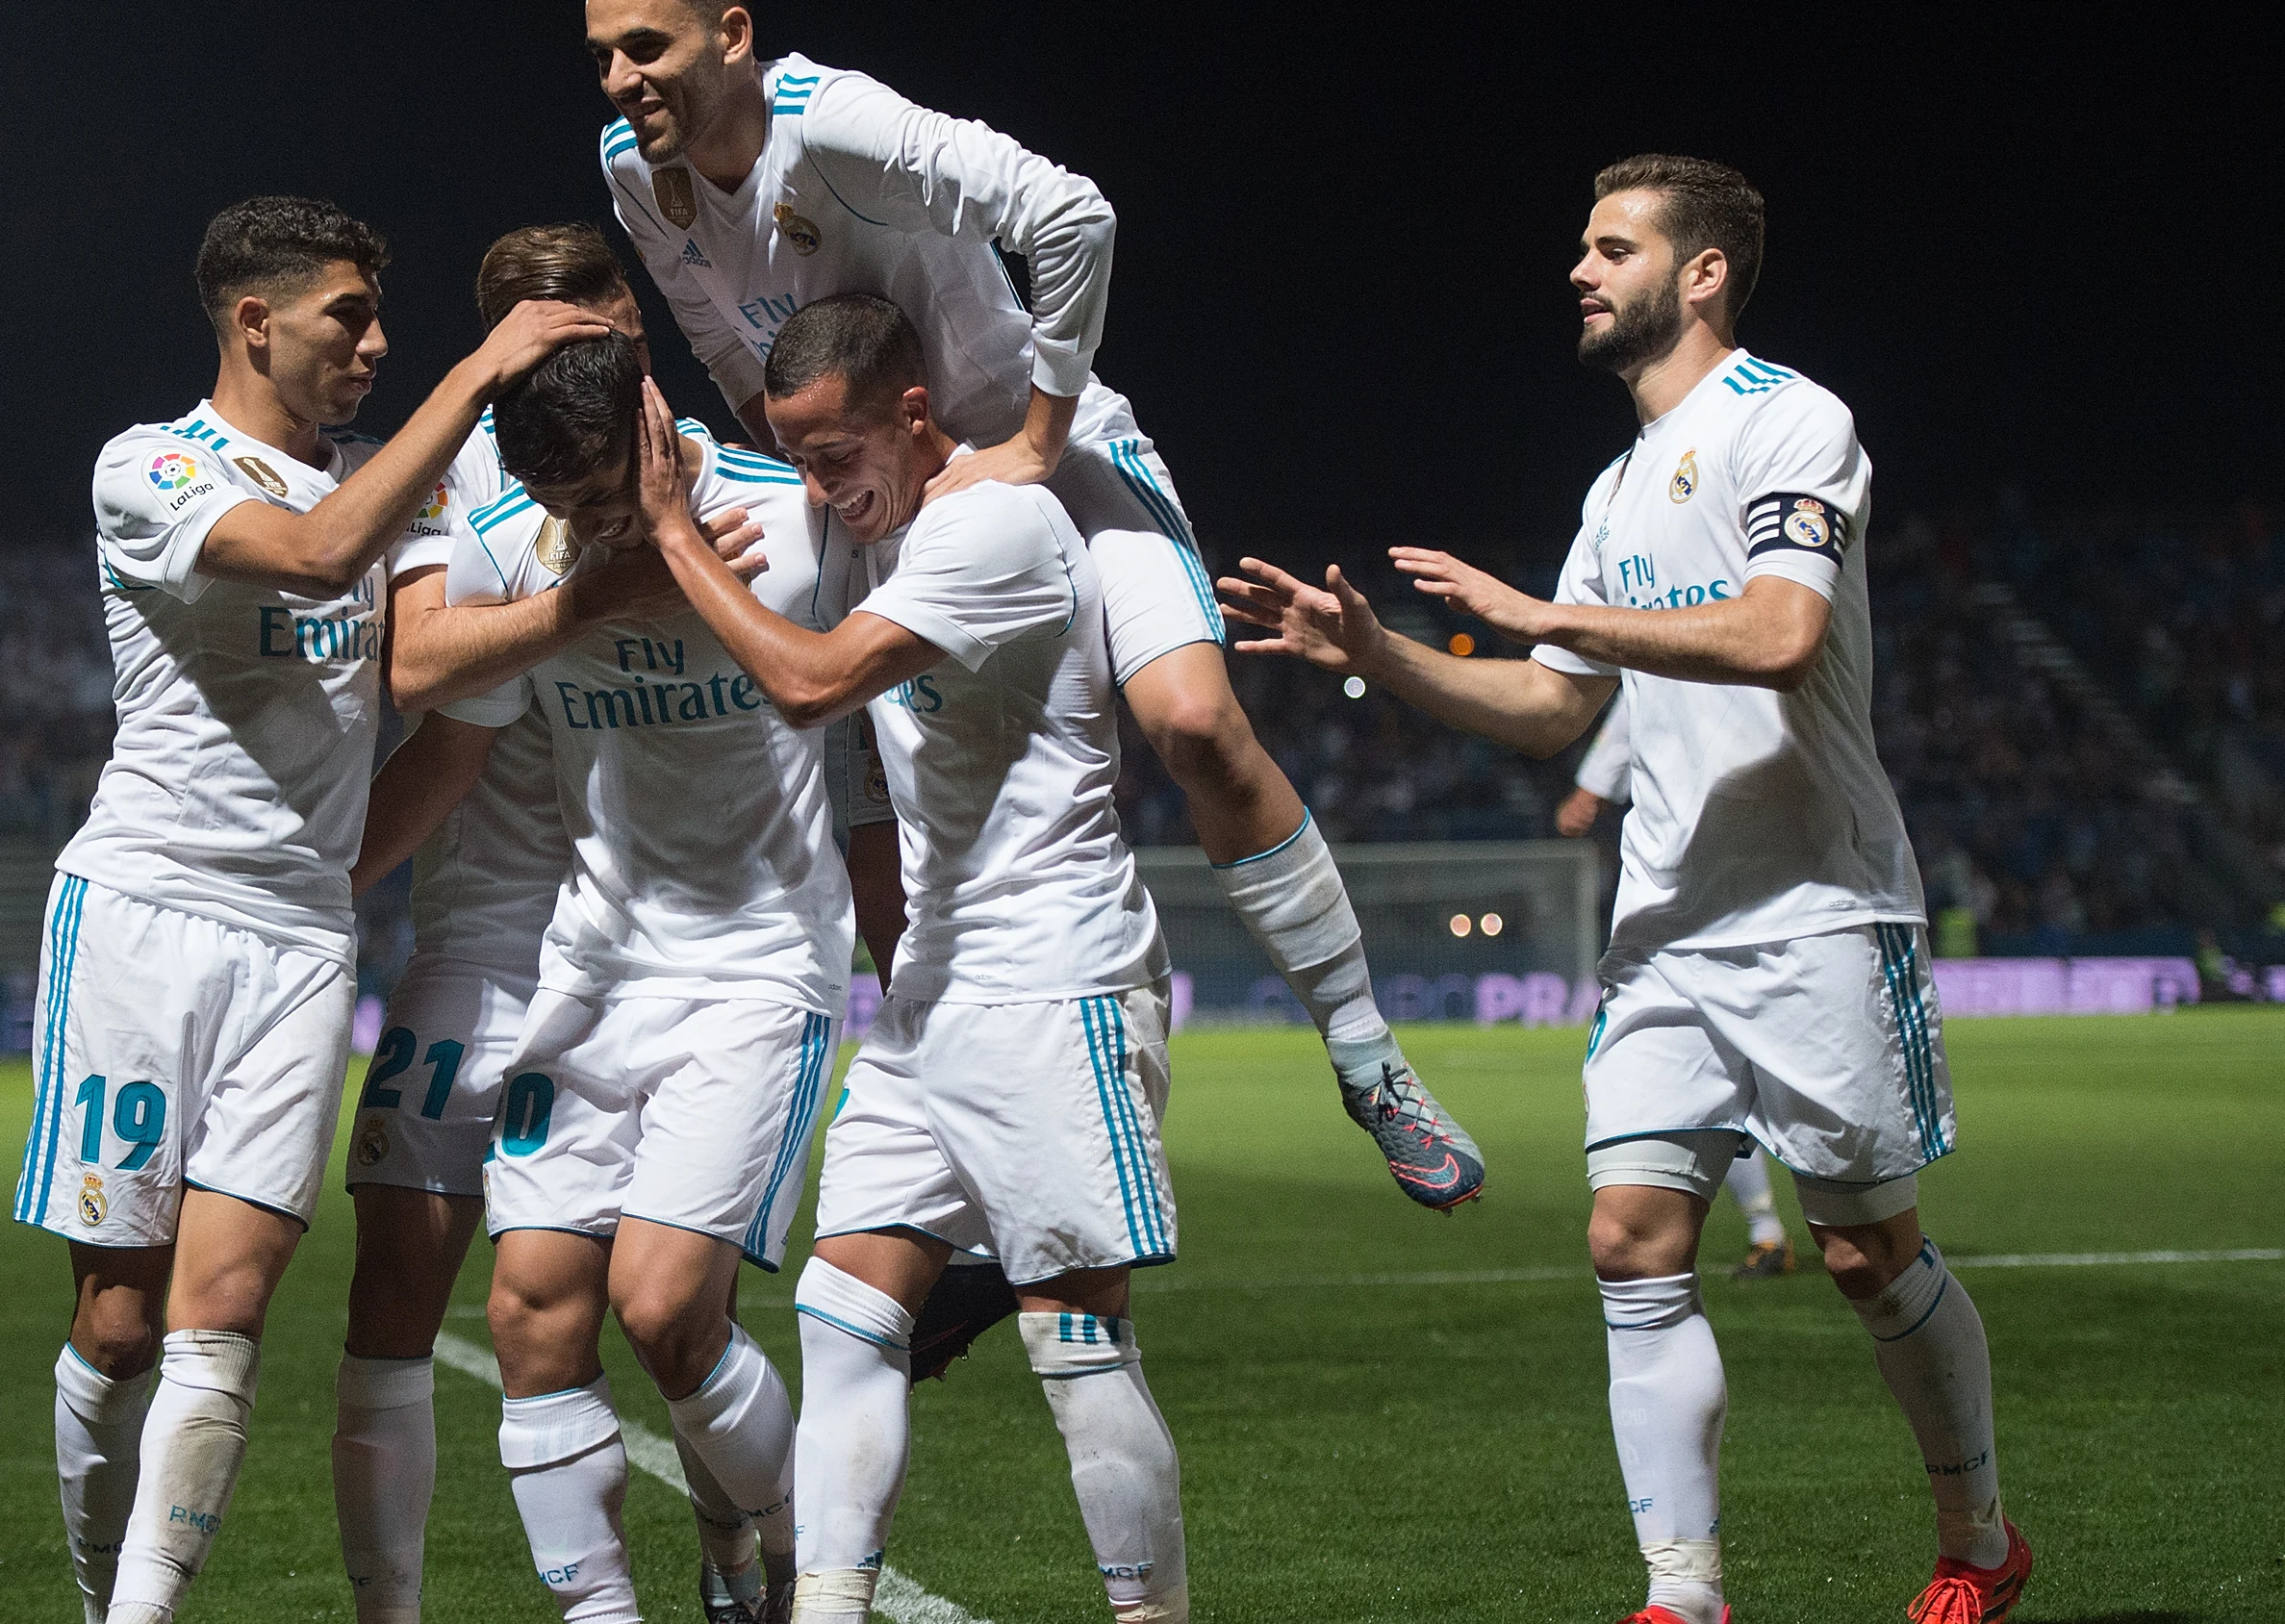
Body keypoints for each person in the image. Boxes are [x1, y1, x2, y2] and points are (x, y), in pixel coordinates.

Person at [1220, 157, 2029, 1624]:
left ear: (1702, 271)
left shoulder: (1791, 421)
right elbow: (1549, 708)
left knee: (1861, 1253)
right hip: (1664, 930)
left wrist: (1550, 611)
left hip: (1816, 911)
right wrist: (1377, 655)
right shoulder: (1614, 488)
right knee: (1630, 1241)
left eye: (1611, 248)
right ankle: (1682, 1595)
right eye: (1583, 249)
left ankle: (1978, 1539)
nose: (1579, 272)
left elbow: (1782, 632)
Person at [580, 0, 1482, 1209]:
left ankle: (1369, 1056)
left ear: (731, 35)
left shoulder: (833, 124)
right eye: (601, 57)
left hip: (1041, 450)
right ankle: (944, 1095)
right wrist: (822, 490)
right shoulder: (634, 171)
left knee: (1195, 724)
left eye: (649, 47)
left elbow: (1073, 215)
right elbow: (725, 345)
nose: (623, 79)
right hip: (878, 482)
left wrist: (1038, 433)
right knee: (858, 799)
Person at [16, 195, 614, 1624]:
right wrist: (471, 380)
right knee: (119, 1319)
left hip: (295, 943)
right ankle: (104, 1590)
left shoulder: (392, 489)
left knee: (228, 1308)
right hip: (143, 914)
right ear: (254, 320)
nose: (378, 344)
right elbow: (309, 556)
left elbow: (434, 706)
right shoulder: (151, 467)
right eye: (350, 317)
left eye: (382, 319)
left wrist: (332, 877)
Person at [640, 292, 1190, 1624]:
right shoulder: (873, 530)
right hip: (935, 993)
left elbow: (811, 681)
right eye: (801, 458)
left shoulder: (992, 525)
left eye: (838, 455)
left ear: (915, 413)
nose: (822, 489)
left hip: (1057, 974)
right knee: (842, 1319)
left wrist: (670, 533)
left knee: (1076, 1342)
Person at [328, 221, 840, 1624]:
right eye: (565, 507)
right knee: (531, 1310)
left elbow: (863, 717)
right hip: (589, 975)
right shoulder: (518, 547)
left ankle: (796, 1556)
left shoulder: (791, 528)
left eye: (605, 498)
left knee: (670, 1313)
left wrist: (670, 543)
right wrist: (588, 577)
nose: (589, 528)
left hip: (754, 976)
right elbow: (439, 704)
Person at [1560, 698, 1797, 1279]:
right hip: (1699, 909)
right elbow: (1646, 691)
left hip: (1775, 898)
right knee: (1716, 1086)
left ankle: (1856, 1230)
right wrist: (1595, 784)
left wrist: (1592, 786)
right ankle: (1769, 1231)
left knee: (1763, 1085)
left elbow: (1645, 694)